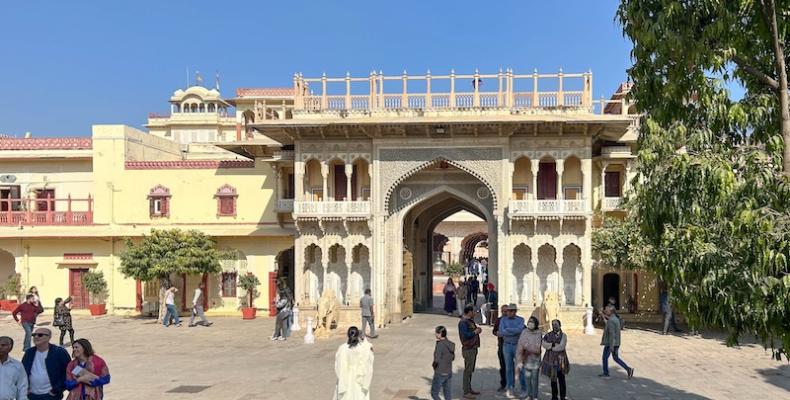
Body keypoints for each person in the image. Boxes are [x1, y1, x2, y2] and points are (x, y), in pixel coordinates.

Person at [21, 328, 70, 400]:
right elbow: (22, 372)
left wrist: (57, 389)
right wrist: (25, 389)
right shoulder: (29, 352)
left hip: (51, 395)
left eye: (40, 335)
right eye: (34, 335)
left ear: (49, 337)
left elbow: (68, 372)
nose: (36, 337)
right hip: (32, 395)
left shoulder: (59, 352)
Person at [333, 326, 374, 400]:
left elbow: (338, 365)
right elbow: (369, 358)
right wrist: (365, 341)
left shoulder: (342, 348)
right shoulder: (363, 348)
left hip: (346, 376)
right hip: (359, 377)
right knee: (359, 395)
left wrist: (341, 376)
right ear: (357, 335)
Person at [498, 303, 525, 398]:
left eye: (510, 311)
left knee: (520, 367)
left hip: (517, 346)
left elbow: (520, 330)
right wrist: (512, 331)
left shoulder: (520, 320)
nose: (507, 312)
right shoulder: (503, 320)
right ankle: (510, 387)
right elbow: (501, 332)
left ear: (514, 311)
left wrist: (508, 330)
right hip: (507, 346)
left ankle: (523, 389)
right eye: (507, 311)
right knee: (509, 368)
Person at [600, 304, 634, 379]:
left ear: (611, 311)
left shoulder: (612, 321)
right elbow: (608, 323)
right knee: (616, 358)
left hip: (611, 343)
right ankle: (628, 369)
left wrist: (611, 346)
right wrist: (603, 316)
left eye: (607, 310)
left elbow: (612, 334)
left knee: (605, 357)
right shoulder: (614, 318)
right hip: (616, 343)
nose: (605, 311)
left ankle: (606, 373)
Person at [542, 319, 570, 400]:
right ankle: (554, 396)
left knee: (561, 379)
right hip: (551, 360)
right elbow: (544, 344)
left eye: (556, 324)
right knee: (553, 379)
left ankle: (562, 396)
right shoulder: (548, 335)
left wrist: (551, 348)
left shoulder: (563, 335)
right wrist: (553, 344)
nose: (554, 326)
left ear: (560, 325)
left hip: (561, 360)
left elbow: (561, 346)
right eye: (553, 324)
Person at [458, 304, 481, 399]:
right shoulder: (463, 322)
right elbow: (464, 335)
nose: (475, 313)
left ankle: (469, 388)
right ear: (470, 312)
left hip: (473, 348)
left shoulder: (469, 321)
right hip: (468, 349)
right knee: (467, 370)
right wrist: (475, 332)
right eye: (474, 311)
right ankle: (466, 391)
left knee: (470, 370)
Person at [517, 316, 543, 400]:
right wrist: (520, 357)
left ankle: (535, 396)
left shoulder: (538, 333)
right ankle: (529, 395)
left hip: (535, 360)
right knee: (527, 378)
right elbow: (520, 344)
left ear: (536, 324)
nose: (530, 323)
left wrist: (528, 348)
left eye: (532, 322)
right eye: (529, 321)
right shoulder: (524, 332)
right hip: (526, 359)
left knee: (535, 379)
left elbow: (537, 348)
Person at [430, 325, 455, 400]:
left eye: (436, 333)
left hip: (440, 372)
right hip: (448, 371)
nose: (435, 334)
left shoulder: (440, 345)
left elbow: (436, 359)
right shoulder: (450, 344)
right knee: (447, 393)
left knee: (434, 393)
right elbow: (453, 357)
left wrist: (434, 366)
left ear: (440, 334)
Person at [0, 336, 27, 400]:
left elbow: (22, 386)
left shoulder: (17, 365)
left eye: (3, 345)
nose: (0, 347)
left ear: (10, 347)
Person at [491, 304, 508, 393]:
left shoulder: (513, 320)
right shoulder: (499, 320)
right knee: (503, 366)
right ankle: (503, 384)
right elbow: (493, 330)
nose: (505, 313)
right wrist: (496, 333)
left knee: (510, 367)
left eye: (506, 311)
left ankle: (510, 385)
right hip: (501, 346)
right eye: (503, 311)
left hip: (511, 346)